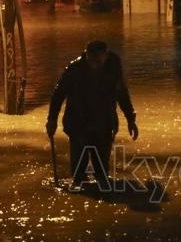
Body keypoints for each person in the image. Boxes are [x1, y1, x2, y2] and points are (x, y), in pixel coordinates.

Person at [46, 40, 138, 189]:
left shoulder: (113, 67)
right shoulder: (74, 70)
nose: (96, 65)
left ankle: (102, 194)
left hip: (104, 125)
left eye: (100, 62)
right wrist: (52, 120)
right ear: (86, 56)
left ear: (106, 57)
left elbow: (122, 94)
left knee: (102, 172)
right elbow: (58, 96)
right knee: (78, 174)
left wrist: (131, 119)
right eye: (93, 61)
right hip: (79, 125)